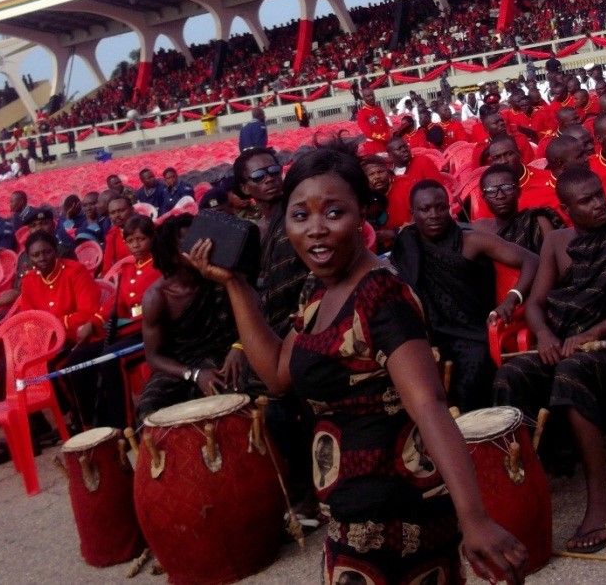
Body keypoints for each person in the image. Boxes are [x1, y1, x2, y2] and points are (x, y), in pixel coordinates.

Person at [188, 143, 527, 584]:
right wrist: (233, 283)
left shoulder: (379, 295)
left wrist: (475, 518)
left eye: (333, 213)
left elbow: (429, 406)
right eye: (300, 215)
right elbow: (276, 372)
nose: (315, 230)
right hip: (350, 513)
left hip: (398, 517)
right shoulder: (317, 289)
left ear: (363, 213)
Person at [493, 167, 606, 553]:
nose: (599, 205)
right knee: (511, 375)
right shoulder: (556, 241)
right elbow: (536, 304)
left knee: (572, 373)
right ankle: (521, 500)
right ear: (567, 208)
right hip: (565, 338)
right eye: (586, 201)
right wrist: (545, 336)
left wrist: (597, 332)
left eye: (599, 195)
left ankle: (603, 507)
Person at [392, 180, 537, 411]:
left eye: (441, 207)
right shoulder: (407, 245)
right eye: (425, 209)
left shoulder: (471, 240)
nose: (434, 215)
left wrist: (512, 298)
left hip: (473, 332)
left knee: (471, 375)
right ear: (412, 214)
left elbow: (531, 260)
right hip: (427, 333)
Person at [135, 214, 258, 422]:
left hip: (229, 353)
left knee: (238, 389)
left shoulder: (223, 272)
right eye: (191, 240)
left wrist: (239, 346)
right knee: (150, 407)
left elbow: (258, 310)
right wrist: (195, 374)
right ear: (174, 255)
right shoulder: (156, 297)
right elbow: (154, 358)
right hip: (184, 365)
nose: (203, 244)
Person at [66, 215, 161, 429]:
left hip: (151, 331)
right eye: (131, 241)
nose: (136, 245)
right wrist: (94, 321)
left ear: (152, 238)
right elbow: (116, 305)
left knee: (111, 359)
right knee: (77, 358)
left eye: (141, 239)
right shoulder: (127, 270)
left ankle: (123, 426)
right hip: (128, 330)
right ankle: (90, 424)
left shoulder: (160, 265)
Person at [233, 147, 310, 334]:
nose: (269, 179)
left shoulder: (300, 214)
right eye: (258, 176)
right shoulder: (252, 231)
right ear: (244, 188)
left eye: (274, 171)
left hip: (308, 311)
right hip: (269, 321)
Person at [469, 164, 564, 254]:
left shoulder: (536, 222)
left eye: (507, 188)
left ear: (518, 192)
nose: (500, 196)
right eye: (491, 191)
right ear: (483, 197)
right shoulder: (479, 228)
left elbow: (553, 261)